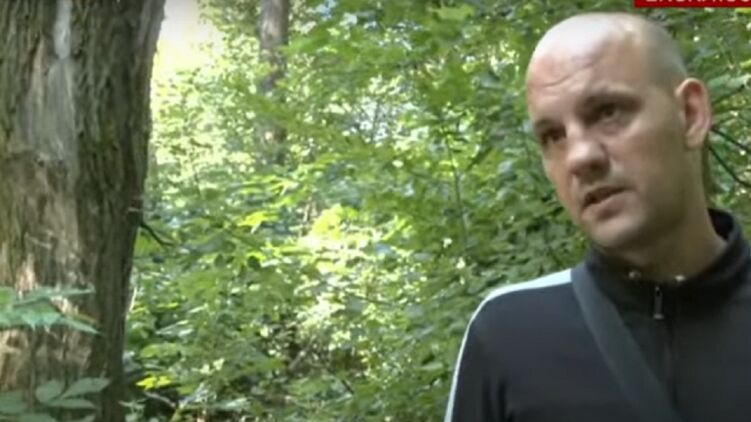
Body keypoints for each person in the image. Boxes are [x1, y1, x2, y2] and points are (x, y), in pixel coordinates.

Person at [444, 12, 751, 422]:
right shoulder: (507, 333)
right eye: (553, 136)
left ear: (691, 114)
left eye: (608, 112)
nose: (579, 157)